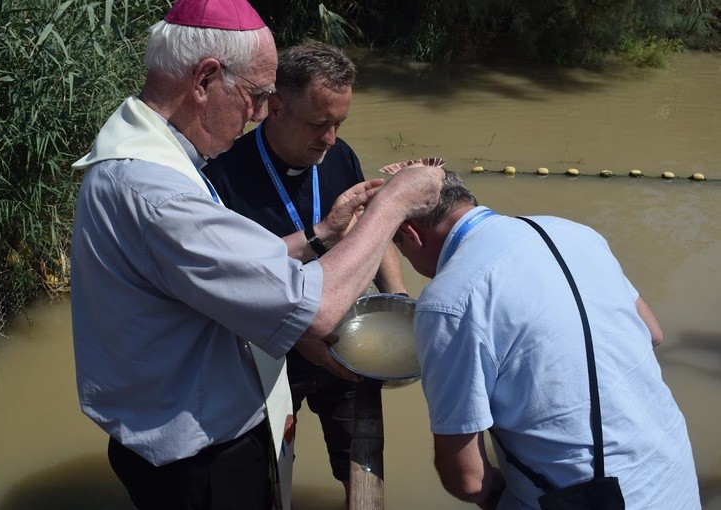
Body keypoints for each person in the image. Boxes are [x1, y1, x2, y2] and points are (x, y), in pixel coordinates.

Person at [68, 0, 444, 508]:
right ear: (204, 80)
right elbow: (317, 310)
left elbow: (228, 264)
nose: (256, 112)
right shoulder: (160, 193)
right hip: (197, 453)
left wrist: (322, 235)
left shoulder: (152, 159)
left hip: (179, 426)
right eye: (256, 94)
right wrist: (395, 202)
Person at [392, 168, 700, 509]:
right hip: (673, 477)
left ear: (410, 233)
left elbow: (467, 480)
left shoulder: (448, 300)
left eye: (403, 252)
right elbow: (652, 333)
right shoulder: (576, 232)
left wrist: (499, 497)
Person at [203, 41, 406, 500]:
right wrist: (304, 339)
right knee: (267, 477)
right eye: (318, 124)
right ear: (275, 107)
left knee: (359, 467)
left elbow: (370, 235)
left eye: (339, 124)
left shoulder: (339, 156)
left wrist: (399, 306)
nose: (330, 139)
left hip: (342, 344)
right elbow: (229, 286)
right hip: (264, 357)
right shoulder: (223, 177)